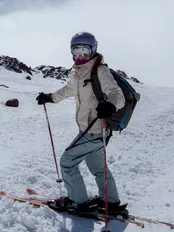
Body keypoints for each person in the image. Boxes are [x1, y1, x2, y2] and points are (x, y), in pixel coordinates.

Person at [36, 31, 126, 213]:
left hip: (94, 130)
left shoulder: (100, 70)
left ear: (93, 50)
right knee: (98, 168)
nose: (80, 56)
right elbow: (69, 90)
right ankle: (110, 202)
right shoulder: (77, 73)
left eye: (84, 51)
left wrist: (110, 105)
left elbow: (118, 95)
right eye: (76, 51)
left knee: (67, 163)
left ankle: (79, 203)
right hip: (94, 131)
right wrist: (50, 98)